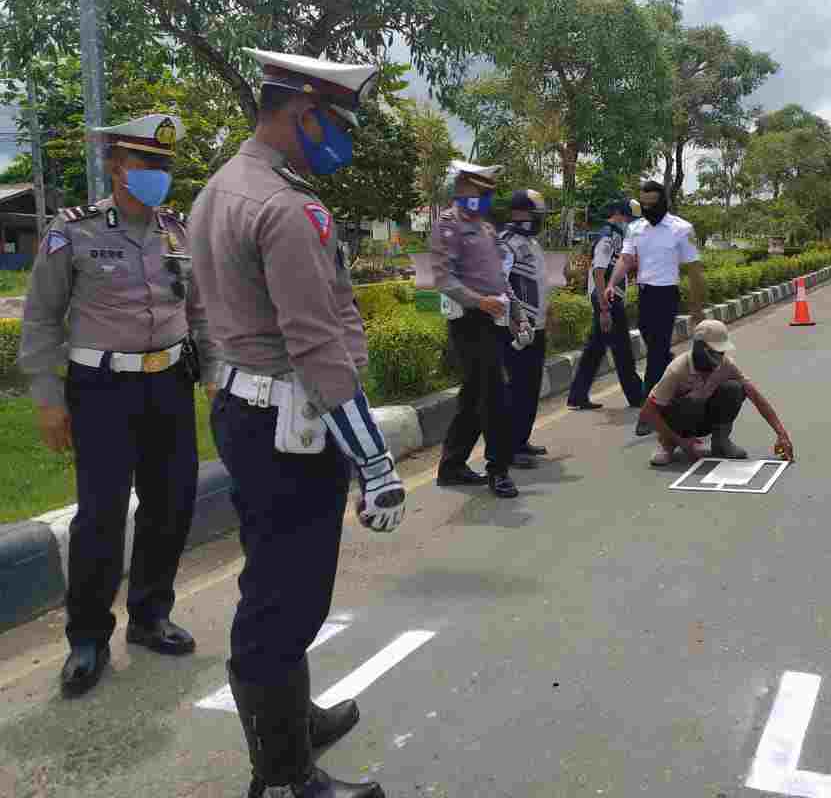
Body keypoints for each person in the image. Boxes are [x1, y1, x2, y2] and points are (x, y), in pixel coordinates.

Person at [189, 49, 406, 798]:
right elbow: (315, 343)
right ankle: (280, 779)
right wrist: (377, 466)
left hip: (243, 411)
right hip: (290, 423)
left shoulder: (220, 188)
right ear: (301, 112)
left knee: (275, 574)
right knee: (286, 600)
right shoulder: (285, 206)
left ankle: (295, 719)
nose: (340, 138)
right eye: (335, 122)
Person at [18, 114, 214, 698]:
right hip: (101, 389)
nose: (156, 173)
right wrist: (48, 398)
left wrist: (214, 372)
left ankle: (151, 615)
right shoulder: (72, 231)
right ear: (115, 165)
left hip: (170, 384)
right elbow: (41, 318)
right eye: (144, 162)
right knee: (101, 514)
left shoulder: (178, 233)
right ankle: (87, 636)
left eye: (164, 164)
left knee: (172, 502)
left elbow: (198, 310)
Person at [429, 161, 526, 498]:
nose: (486, 197)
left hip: (494, 316)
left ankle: (451, 466)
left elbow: (498, 278)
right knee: (494, 393)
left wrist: (515, 312)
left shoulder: (485, 228)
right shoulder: (448, 224)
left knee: (473, 396)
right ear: (463, 188)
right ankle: (498, 469)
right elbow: (443, 278)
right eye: (481, 191)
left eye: (489, 192)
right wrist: (480, 301)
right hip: (469, 320)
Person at [605, 181, 706, 436]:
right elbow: (626, 259)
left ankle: (649, 413)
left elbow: (694, 270)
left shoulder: (681, 228)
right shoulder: (636, 228)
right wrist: (611, 283)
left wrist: (696, 308)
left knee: (656, 354)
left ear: (664, 202)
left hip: (666, 295)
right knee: (656, 349)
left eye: (653, 203)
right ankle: (674, 378)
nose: (649, 208)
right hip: (645, 295)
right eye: (644, 204)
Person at [640, 319, 794, 466]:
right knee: (690, 402)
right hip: (677, 420)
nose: (720, 358)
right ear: (700, 347)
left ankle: (720, 441)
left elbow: (756, 396)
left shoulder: (726, 365)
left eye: (722, 352)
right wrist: (682, 442)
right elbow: (648, 411)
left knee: (734, 388)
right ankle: (668, 444)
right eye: (716, 352)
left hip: (702, 417)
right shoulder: (677, 369)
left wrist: (781, 434)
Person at [566, 200, 645, 411]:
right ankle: (637, 395)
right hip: (606, 299)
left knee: (595, 349)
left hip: (609, 297)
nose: (631, 223)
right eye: (630, 218)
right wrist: (603, 308)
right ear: (619, 214)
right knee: (622, 350)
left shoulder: (617, 236)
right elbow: (598, 271)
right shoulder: (607, 237)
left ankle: (577, 395)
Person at [499, 189, 551, 469]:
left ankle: (522, 440)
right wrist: (514, 322)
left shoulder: (531, 243)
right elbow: (500, 285)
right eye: (537, 213)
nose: (539, 218)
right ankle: (509, 448)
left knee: (530, 388)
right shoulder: (506, 244)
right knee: (517, 388)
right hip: (518, 329)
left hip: (537, 326)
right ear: (523, 213)